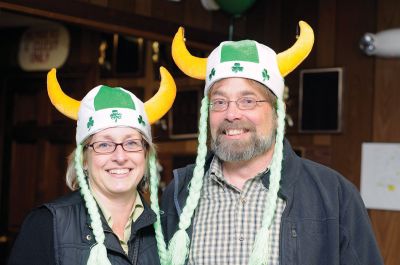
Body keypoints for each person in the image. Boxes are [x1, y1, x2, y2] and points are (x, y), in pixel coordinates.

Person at [154, 21, 384, 265]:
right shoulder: (179, 193)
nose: (231, 114)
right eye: (219, 102)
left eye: (248, 101)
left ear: (277, 112)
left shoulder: (334, 194)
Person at [8, 67, 176, 265]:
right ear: (84, 159)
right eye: (104, 144)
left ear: (146, 154)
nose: (120, 156)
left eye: (131, 143)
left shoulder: (166, 229)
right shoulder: (46, 225)